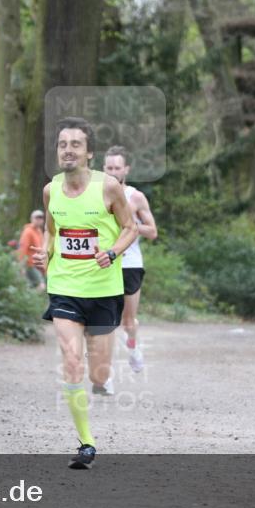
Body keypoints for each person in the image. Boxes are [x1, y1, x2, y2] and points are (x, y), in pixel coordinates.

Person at [31, 117, 137, 469]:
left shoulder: (108, 187)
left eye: (76, 144)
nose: (68, 150)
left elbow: (129, 228)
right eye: (63, 144)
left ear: (89, 153)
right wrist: (45, 252)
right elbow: (51, 230)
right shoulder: (51, 190)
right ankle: (86, 443)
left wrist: (112, 252)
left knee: (98, 373)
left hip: (104, 290)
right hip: (64, 287)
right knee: (71, 360)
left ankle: (101, 375)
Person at [103, 146, 158, 372]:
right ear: (103, 169)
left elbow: (152, 231)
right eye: (109, 167)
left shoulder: (135, 197)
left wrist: (131, 225)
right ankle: (103, 369)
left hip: (129, 264)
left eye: (117, 167)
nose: (114, 171)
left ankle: (133, 347)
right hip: (103, 262)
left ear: (126, 169)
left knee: (128, 322)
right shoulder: (95, 194)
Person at [16, 210, 47, 291]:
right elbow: (22, 248)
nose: (39, 219)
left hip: (39, 265)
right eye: (37, 217)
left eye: (41, 217)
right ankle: (30, 301)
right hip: (30, 265)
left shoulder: (39, 231)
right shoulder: (28, 232)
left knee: (33, 286)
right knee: (41, 286)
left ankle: (31, 300)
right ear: (31, 219)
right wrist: (21, 266)